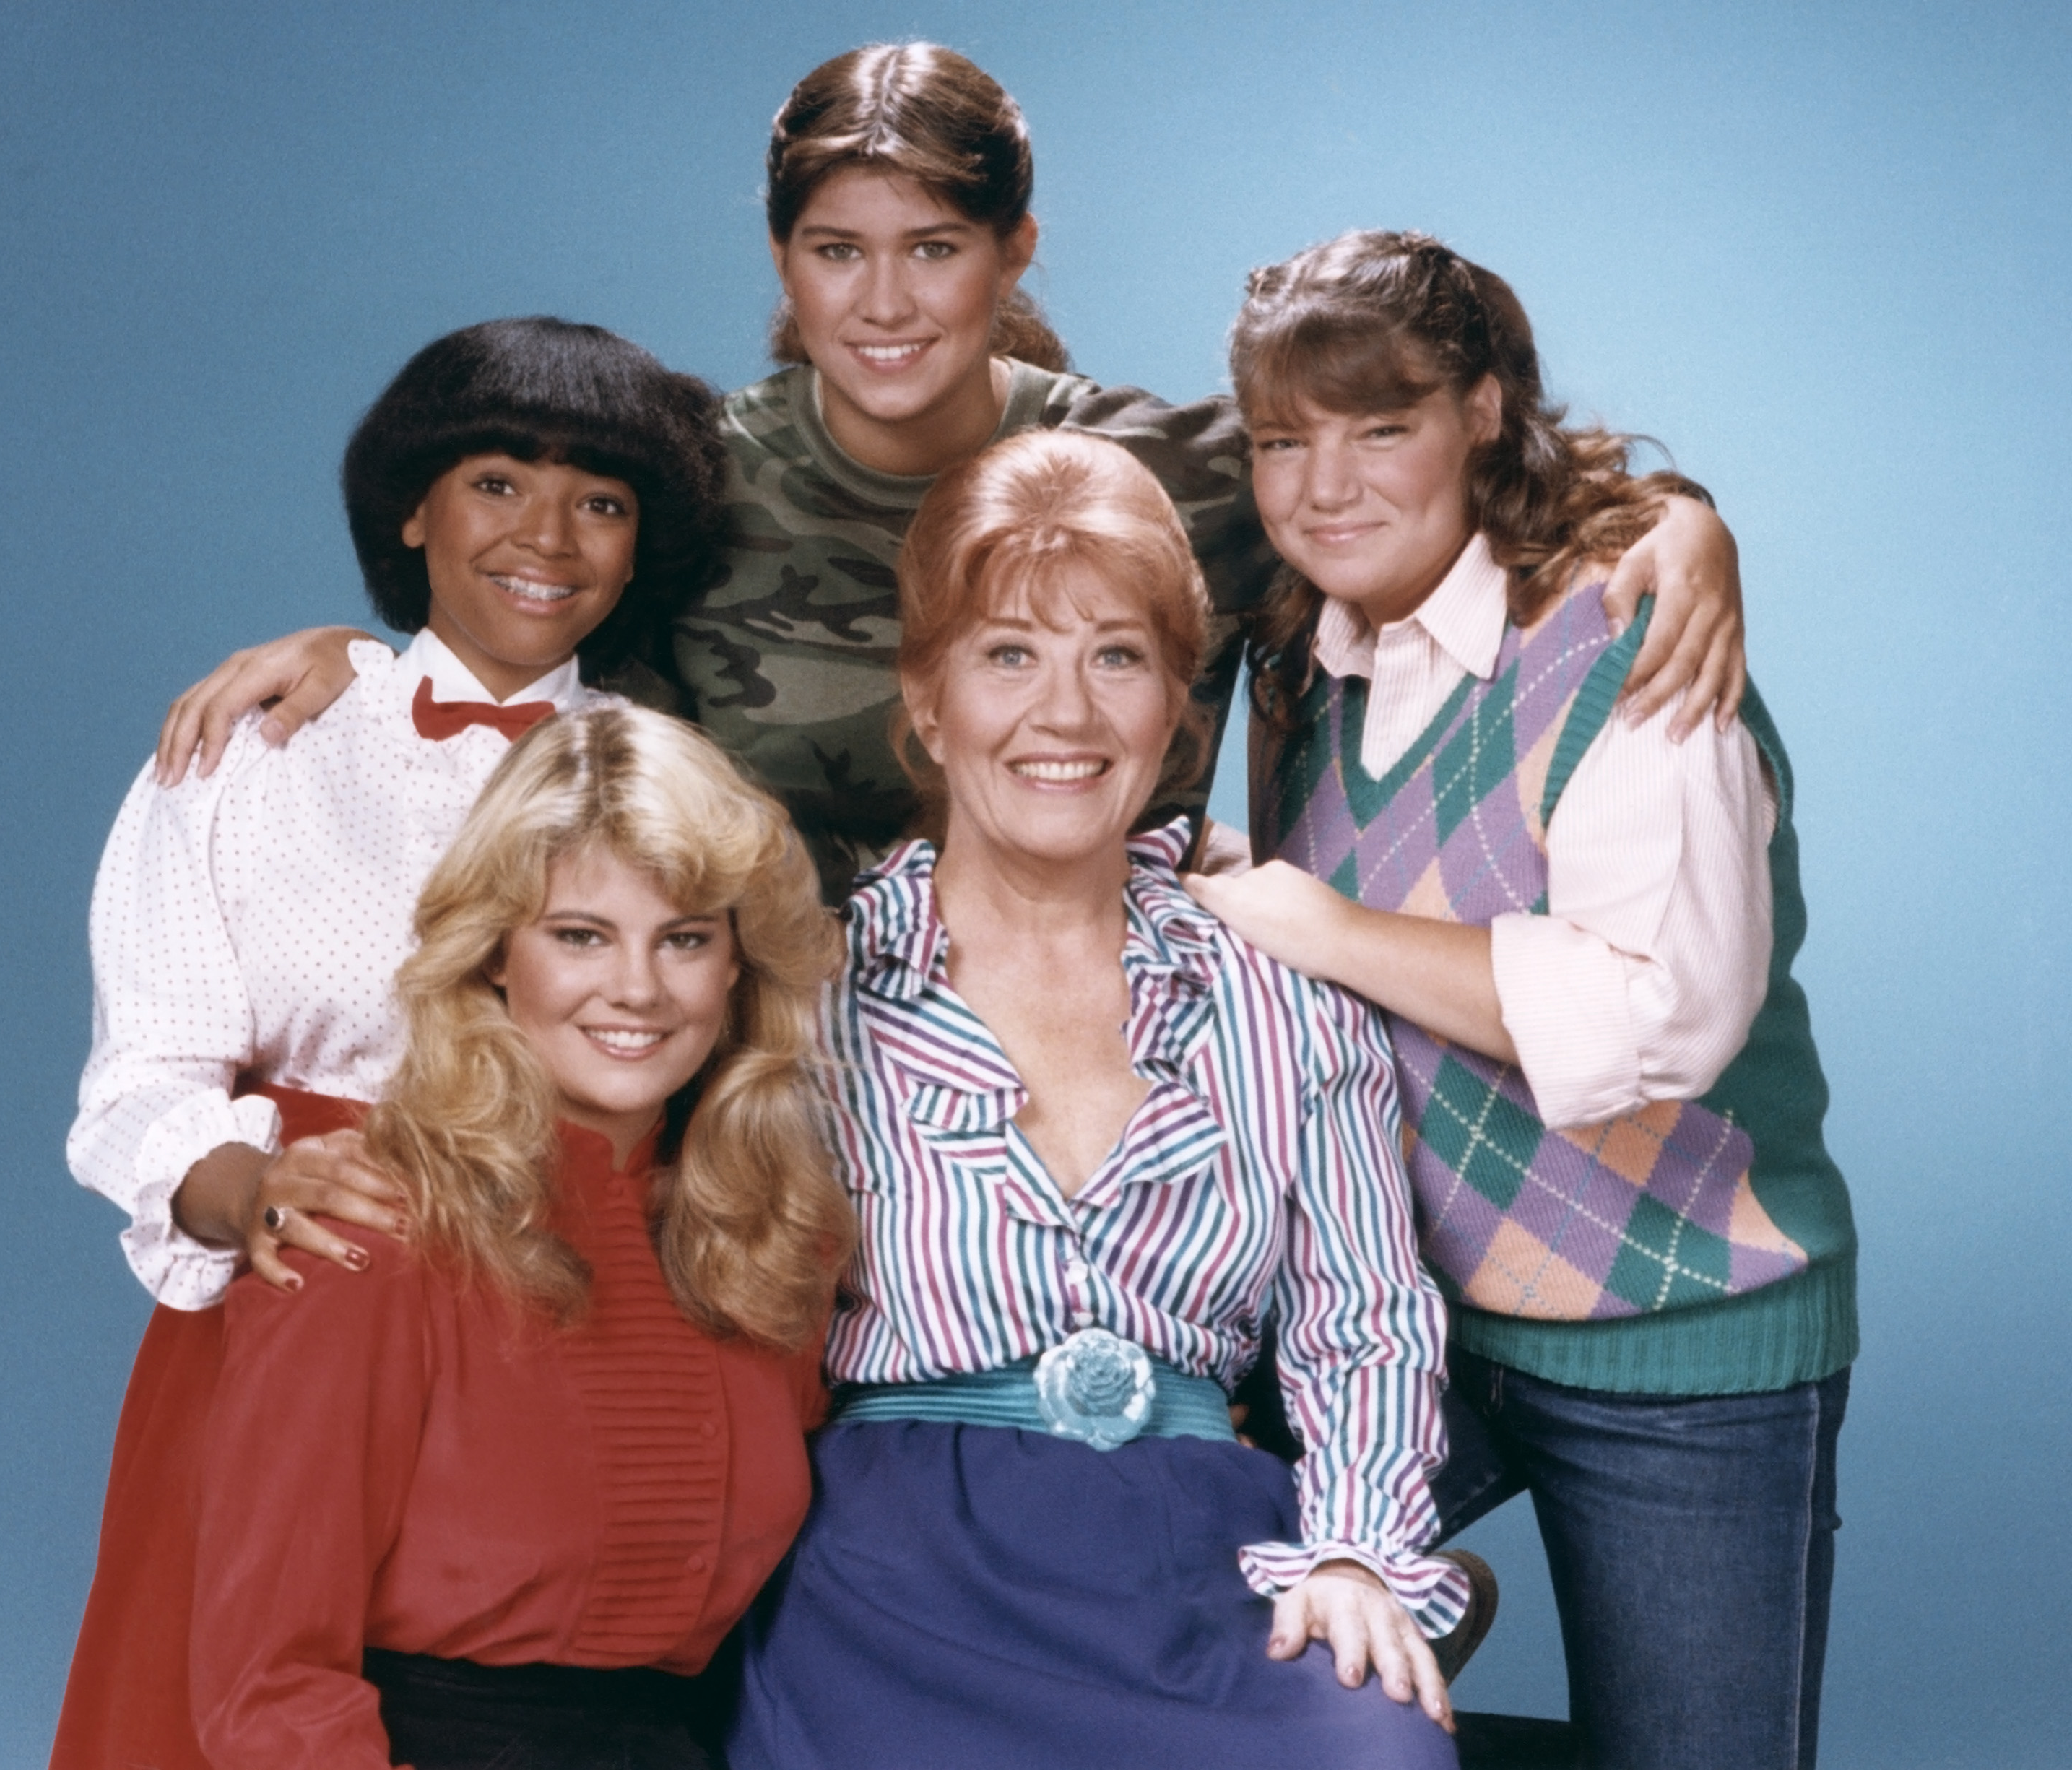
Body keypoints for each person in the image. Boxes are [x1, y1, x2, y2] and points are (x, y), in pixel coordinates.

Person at [150, 43, 1750, 904]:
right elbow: (523, 598)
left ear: (1014, 251)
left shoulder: (1167, 475)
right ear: (784, 257)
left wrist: (1680, 519)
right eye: (838, 251)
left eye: (937, 248)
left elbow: (1414, 488)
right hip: (753, 1078)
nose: (888, 302)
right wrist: (360, 656)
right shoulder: (694, 469)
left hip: (1126, 1097)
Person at [1184, 230, 1855, 1770]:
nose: (1324, 484)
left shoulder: (1633, 633)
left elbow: (1663, 1015)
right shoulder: (1302, 644)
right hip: (1402, 1315)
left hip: (1679, 1325)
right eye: (1286, 440)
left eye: (1382, 426)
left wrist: (1329, 926)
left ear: (1484, 408)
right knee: (1190, 1659)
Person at [727, 427, 1462, 1770]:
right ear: (928, 697)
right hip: (887, 1570)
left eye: (1115, 657)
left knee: (1378, 1757)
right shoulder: (802, 992)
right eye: (1009, 653)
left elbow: (1363, 1317)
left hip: (1203, 1556)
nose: (1064, 715)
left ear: (1176, 711)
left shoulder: (1282, 991)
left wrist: (1354, 1551)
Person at [53, 317, 729, 1769]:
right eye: (496, 483)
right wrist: (259, 1193)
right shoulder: (261, 744)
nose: (547, 535)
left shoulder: (658, 767)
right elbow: (141, 1080)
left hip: (565, 1294)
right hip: (313, 1274)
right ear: (411, 508)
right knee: (237, 1697)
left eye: (600, 502)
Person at [188, 703, 852, 1769]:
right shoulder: (372, 1229)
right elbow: (267, 1688)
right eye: (580, 936)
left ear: (737, 970)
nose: (637, 989)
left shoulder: (775, 1248)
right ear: (498, 952)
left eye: (684, 938)